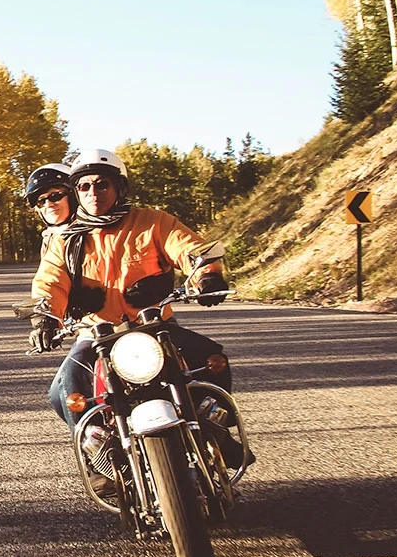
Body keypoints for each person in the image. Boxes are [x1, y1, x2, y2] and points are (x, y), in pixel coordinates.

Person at [32, 149, 248, 497]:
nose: (92, 193)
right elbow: (50, 283)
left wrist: (207, 275)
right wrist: (46, 316)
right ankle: (99, 456)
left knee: (213, 360)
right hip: (97, 333)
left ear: (119, 186)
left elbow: (189, 248)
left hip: (155, 327)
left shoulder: (152, 222)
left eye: (102, 184)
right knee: (66, 392)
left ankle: (219, 434)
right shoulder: (67, 239)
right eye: (84, 186)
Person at [20, 163, 74, 353]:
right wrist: (45, 319)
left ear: (74, 195)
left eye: (55, 196)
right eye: (40, 201)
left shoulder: (101, 229)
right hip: (92, 328)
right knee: (68, 381)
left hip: (145, 320)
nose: (48, 204)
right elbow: (50, 280)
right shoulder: (52, 238)